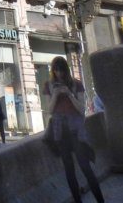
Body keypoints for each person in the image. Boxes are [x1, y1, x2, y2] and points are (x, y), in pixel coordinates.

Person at [44, 56, 105, 203]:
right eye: (56, 70)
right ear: (53, 71)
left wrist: (69, 94)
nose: (59, 73)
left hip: (76, 130)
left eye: (61, 70)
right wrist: (56, 94)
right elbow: (50, 110)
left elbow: (82, 109)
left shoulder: (76, 84)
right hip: (60, 131)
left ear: (66, 70)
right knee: (69, 170)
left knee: (85, 167)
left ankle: (100, 200)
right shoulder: (49, 85)